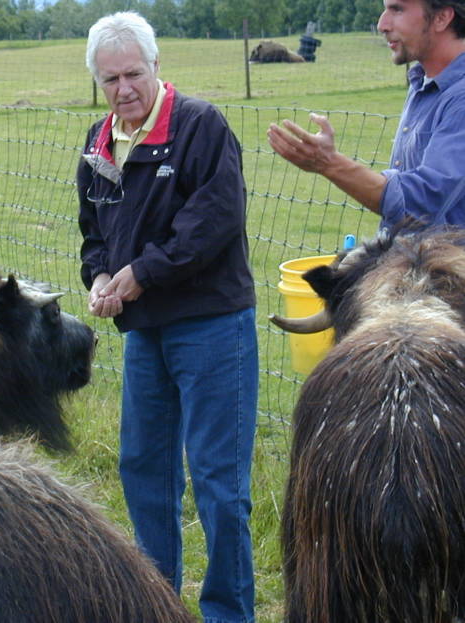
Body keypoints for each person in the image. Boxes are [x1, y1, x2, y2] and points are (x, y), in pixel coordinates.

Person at [77, 12, 259, 623]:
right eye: (111, 80)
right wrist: (100, 277)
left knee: (219, 485)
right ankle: (156, 605)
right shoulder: (98, 145)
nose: (124, 89)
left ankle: (228, 612)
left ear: (157, 67)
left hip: (211, 325)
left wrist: (139, 275)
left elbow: (212, 223)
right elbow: (93, 234)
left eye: (133, 73)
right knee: (143, 467)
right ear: (98, 83)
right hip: (144, 332)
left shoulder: (199, 126)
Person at [268, 0, 465, 230]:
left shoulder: (460, 98)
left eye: (397, 9)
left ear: (442, 18)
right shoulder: (422, 83)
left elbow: (421, 204)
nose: (382, 24)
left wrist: (330, 163)